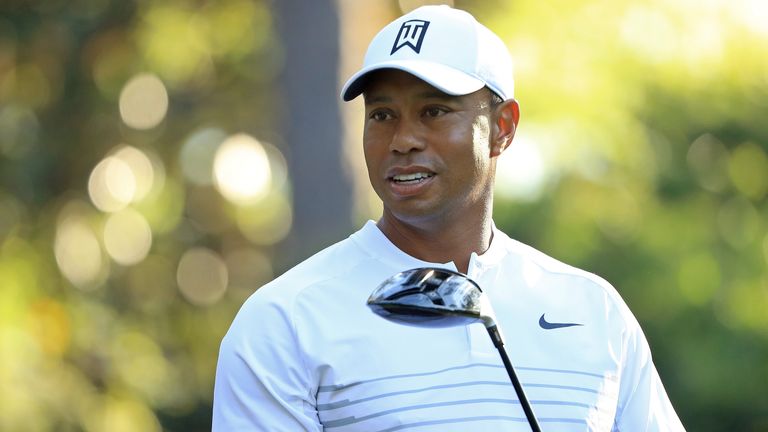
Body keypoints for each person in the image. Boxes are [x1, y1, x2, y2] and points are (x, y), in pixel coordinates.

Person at [212, 5, 685, 431]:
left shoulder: (594, 311)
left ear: (502, 127)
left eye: (434, 111)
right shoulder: (283, 320)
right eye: (381, 115)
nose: (403, 140)